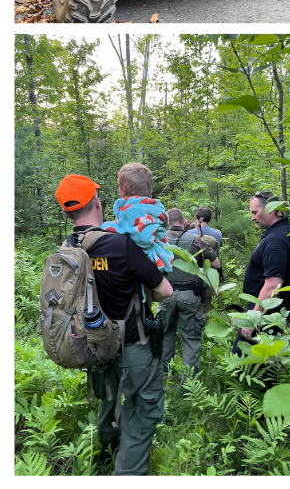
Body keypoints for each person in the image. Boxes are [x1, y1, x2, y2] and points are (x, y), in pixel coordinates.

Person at [55, 174, 173, 476]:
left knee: (107, 401)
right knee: (142, 412)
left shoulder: (69, 248)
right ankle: (127, 473)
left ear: (67, 212)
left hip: (94, 346)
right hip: (134, 345)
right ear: (97, 201)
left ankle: (105, 457)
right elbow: (165, 291)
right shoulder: (121, 244)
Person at [232, 191, 290, 355]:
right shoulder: (284, 231)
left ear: (271, 209)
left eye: (255, 212)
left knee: (242, 362)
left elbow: (272, 285)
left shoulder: (275, 241)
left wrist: (254, 319)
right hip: (270, 311)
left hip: (266, 313)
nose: (252, 218)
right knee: (266, 364)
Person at [160, 208, 220, 376]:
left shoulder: (159, 241)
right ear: (183, 221)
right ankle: (190, 385)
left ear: (167, 222)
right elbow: (216, 265)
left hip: (165, 295)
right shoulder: (196, 240)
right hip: (190, 295)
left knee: (166, 336)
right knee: (191, 340)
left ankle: (166, 376)